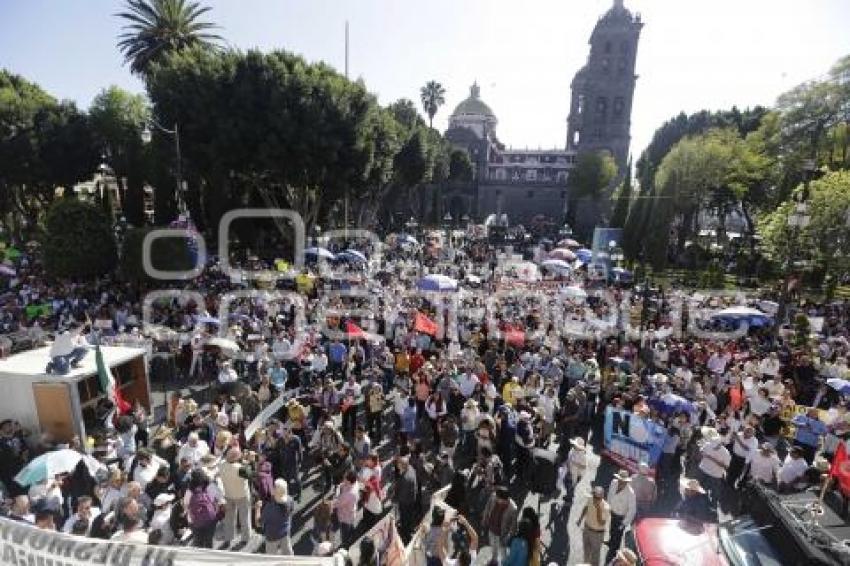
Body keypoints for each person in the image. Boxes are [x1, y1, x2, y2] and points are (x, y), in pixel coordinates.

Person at [219, 447, 253, 548]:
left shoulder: (221, 465)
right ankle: (245, 538)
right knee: (244, 517)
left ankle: (228, 538)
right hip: (242, 495)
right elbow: (251, 474)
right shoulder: (240, 468)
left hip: (228, 494)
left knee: (229, 518)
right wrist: (249, 462)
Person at [481, 486, 518, 564]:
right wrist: (484, 518)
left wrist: (507, 537)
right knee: (493, 546)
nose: (496, 499)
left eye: (498, 498)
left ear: (504, 499)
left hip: (502, 534)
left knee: (502, 551)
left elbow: (513, 526)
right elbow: (487, 507)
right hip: (491, 528)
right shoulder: (493, 496)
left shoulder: (513, 508)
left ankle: (505, 563)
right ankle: (494, 560)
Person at [606, 469, 636, 563]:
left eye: (623, 481)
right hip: (612, 512)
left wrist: (624, 523)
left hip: (621, 518)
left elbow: (632, 510)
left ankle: (614, 554)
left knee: (617, 536)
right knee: (611, 530)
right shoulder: (614, 482)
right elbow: (609, 494)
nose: (620, 482)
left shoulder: (630, 493)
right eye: (619, 480)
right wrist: (608, 506)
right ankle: (610, 543)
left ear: (626, 481)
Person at [186, 469, 221, 549]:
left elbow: (186, 505)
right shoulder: (210, 486)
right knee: (209, 542)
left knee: (198, 543)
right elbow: (217, 500)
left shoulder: (189, 490)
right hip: (210, 519)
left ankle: (197, 559)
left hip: (194, 520)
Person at [577, 486, 610, 566]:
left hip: (597, 534)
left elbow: (601, 523)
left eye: (598, 498)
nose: (595, 499)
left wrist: (598, 509)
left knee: (595, 555)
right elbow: (586, 507)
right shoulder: (590, 499)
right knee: (586, 551)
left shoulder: (606, 507)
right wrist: (580, 519)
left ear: (602, 497)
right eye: (594, 496)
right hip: (587, 529)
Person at [260, 479, 294, 555]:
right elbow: (291, 512)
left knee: (271, 555)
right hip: (285, 531)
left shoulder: (270, 507)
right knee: (287, 552)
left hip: (272, 535)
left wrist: (257, 509)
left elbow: (259, 522)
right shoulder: (290, 500)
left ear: (274, 491)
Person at [697, 427, 730, 507]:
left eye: (715, 445)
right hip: (703, 470)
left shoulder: (726, 453)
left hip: (715, 476)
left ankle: (713, 508)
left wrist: (711, 458)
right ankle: (699, 504)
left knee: (714, 494)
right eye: (712, 443)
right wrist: (701, 453)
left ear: (720, 444)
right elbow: (701, 453)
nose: (713, 446)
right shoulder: (708, 444)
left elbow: (726, 466)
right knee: (700, 489)